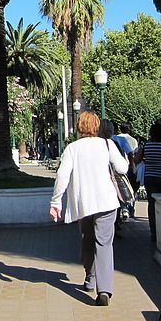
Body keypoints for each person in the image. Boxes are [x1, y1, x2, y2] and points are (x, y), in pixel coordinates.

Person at [50, 111, 129, 307]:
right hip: (107, 201)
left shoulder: (72, 148)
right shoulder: (107, 144)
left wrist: (55, 202)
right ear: (97, 126)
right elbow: (123, 168)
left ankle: (90, 277)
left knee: (87, 240)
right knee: (104, 244)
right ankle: (104, 290)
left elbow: (62, 176)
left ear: (79, 126)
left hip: (83, 203)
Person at [133, 122, 161, 243]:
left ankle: (154, 232)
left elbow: (136, 160)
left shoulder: (145, 145)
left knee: (152, 204)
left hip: (150, 177)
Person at [98, 119, 133, 223]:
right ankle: (117, 221)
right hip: (112, 179)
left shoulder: (89, 145)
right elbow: (121, 165)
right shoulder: (113, 143)